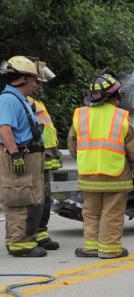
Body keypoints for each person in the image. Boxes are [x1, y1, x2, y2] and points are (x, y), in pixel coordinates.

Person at [69, 72, 134, 258]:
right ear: (115, 96)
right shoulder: (121, 117)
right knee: (112, 213)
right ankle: (110, 249)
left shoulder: (80, 115)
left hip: (88, 175)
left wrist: (87, 158)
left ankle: (91, 247)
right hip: (115, 176)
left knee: (91, 212)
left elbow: (73, 145)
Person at [0, 56, 47, 257]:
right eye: (34, 79)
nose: (36, 84)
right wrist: (15, 154)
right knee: (19, 196)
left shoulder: (20, 100)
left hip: (29, 156)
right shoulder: (8, 99)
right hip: (19, 155)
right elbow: (4, 128)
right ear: (22, 79)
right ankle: (20, 244)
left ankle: (21, 239)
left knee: (30, 197)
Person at [28, 60, 61, 251]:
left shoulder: (35, 102)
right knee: (36, 197)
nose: (39, 85)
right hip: (36, 154)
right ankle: (32, 233)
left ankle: (40, 232)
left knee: (44, 197)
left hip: (46, 154)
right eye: (37, 81)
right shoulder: (24, 101)